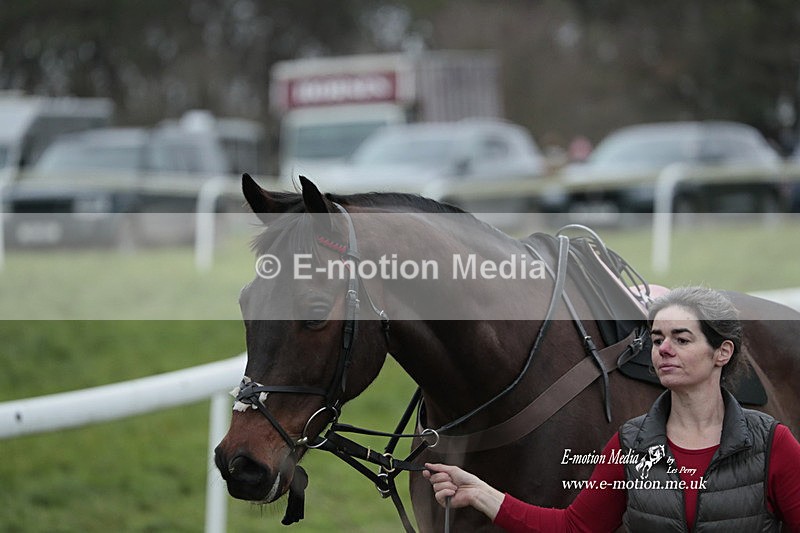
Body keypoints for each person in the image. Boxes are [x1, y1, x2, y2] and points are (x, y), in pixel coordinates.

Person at [425, 286, 800, 532]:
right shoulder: (629, 444)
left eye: (681, 339)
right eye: (657, 339)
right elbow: (575, 528)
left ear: (722, 352)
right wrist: (480, 494)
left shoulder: (773, 445)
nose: (664, 349)